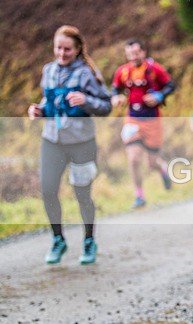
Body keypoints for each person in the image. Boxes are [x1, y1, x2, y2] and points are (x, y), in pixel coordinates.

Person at [27, 26, 111, 265]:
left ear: (77, 50)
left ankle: (88, 240)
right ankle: (58, 239)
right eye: (58, 48)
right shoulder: (49, 70)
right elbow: (48, 101)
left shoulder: (86, 74)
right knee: (48, 190)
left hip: (81, 142)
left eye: (67, 49)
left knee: (82, 194)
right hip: (52, 140)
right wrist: (39, 110)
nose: (61, 53)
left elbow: (105, 106)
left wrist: (87, 100)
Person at [111, 38, 176, 208]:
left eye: (136, 53)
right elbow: (115, 88)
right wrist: (117, 97)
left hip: (152, 120)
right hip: (132, 118)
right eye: (129, 54)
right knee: (133, 158)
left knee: (152, 162)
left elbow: (170, 85)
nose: (132, 56)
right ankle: (139, 195)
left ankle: (162, 169)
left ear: (143, 52)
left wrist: (159, 96)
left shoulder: (154, 69)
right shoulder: (123, 72)